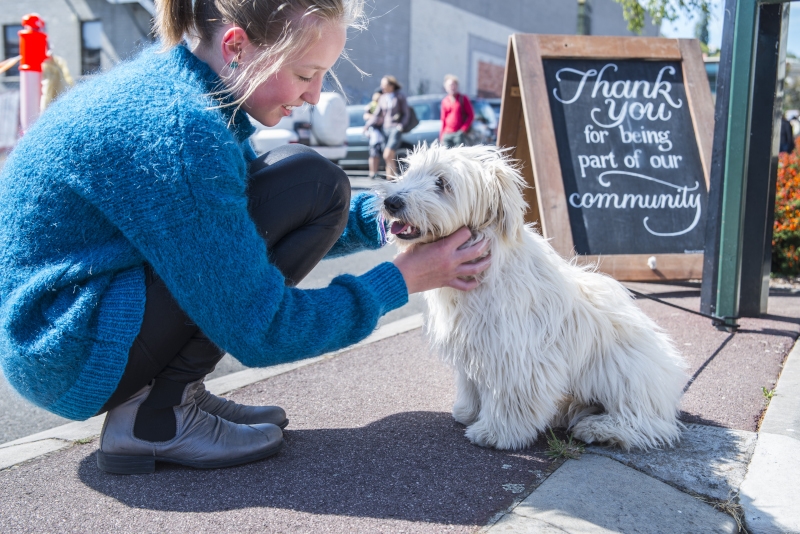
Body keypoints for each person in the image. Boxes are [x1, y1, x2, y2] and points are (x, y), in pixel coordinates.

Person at [0, 0, 491, 475]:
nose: (316, 96)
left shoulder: (188, 89)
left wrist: (395, 221)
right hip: (66, 347)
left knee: (311, 185)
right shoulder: (182, 128)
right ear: (237, 46)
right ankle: (156, 417)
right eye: (304, 74)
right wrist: (401, 279)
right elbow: (264, 329)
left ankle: (174, 390)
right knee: (312, 181)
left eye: (324, 76)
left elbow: (260, 226)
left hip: (65, 318)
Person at [365, 75, 410, 179]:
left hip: (395, 128)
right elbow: (376, 114)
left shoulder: (399, 96)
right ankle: (391, 178)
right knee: (389, 157)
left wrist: (401, 126)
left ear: (392, 85)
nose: (382, 88)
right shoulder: (382, 98)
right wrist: (367, 125)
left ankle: (392, 178)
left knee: (387, 154)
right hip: (385, 129)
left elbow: (406, 113)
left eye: (384, 85)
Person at [439, 74, 474, 148]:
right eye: (449, 85)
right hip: (447, 133)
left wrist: (463, 129)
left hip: (458, 133)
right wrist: (441, 135)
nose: (452, 87)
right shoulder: (445, 101)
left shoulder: (463, 98)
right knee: (446, 156)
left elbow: (471, 115)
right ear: (446, 87)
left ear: (457, 86)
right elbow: (443, 120)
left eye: (453, 85)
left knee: (459, 156)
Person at [363, 88, 385, 179]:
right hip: (375, 131)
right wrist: (375, 119)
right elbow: (366, 116)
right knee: (374, 153)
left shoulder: (375, 105)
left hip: (377, 131)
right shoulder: (373, 105)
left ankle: (374, 172)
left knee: (375, 153)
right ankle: (373, 172)